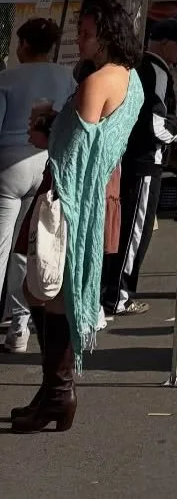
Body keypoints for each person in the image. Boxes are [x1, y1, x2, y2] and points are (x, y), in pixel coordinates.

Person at [11, 0, 143, 434]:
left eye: (86, 34)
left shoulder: (96, 81)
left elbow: (75, 152)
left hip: (73, 199)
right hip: (98, 196)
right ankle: (54, 394)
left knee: (47, 291)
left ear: (105, 35)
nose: (80, 41)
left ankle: (58, 395)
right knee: (53, 295)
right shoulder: (131, 77)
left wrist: (45, 133)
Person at [103, 18, 177, 316]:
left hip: (127, 158)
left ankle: (111, 290)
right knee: (134, 230)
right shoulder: (156, 71)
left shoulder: (135, 67)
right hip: (145, 161)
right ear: (165, 44)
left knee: (122, 226)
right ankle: (119, 294)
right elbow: (154, 122)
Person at [0, 19, 73, 356]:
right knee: (26, 246)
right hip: (45, 162)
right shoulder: (66, 76)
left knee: (2, 247)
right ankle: (19, 326)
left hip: (9, 163)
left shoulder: (7, 78)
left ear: (24, 45)